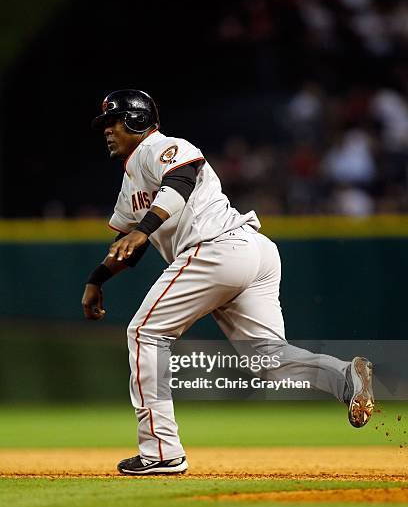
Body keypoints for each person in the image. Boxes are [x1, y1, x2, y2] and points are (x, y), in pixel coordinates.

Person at [82, 89, 374, 476]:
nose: (107, 130)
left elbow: (181, 181)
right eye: (104, 124)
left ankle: (161, 451)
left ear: (137, 120)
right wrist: (97, 279)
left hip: (218, 248)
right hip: (246, 253)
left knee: (145, 333)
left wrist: (144, 230)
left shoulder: (161, 146)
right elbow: (129, 246)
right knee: (268, 362)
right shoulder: (129, 187)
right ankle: (344, 377)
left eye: (113, 121)